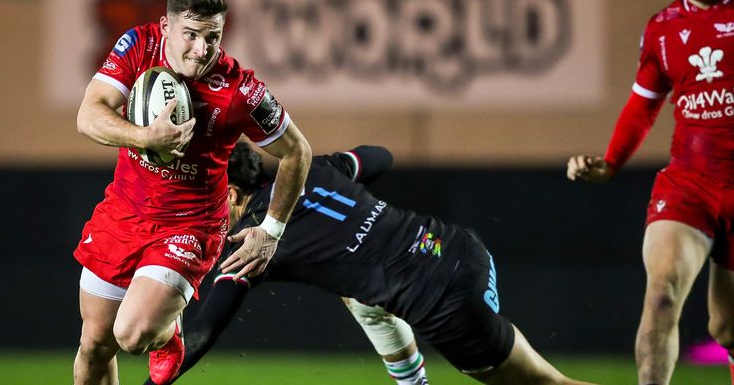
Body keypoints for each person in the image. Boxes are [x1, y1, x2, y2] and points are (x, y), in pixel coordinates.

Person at [148, 142, 597, 385]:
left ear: (229, 194)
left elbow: (203, 331)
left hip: (445, 301)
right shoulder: (315, 169)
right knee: (359, 291)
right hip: (460, 249)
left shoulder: (254, 240)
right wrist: (340, 170)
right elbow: (381, 155)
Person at [73, 0, 312, 385]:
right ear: (166, 27)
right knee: (95, 344)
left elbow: (297, 152)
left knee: (131, 335)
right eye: (192, 35)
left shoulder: (240, 90)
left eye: (213, 38)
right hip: (123, 212)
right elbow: (88, 116)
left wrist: (271, 230)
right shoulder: (137, 46)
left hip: (190, 224)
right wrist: (145, 137)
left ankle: (169, 334)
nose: (202, 50)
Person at [567, 0, 734, 384]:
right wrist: (611, 164)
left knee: (728, 328)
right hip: (689, 184)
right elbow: (643, 103)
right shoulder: (663, 27)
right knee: (661, 295)